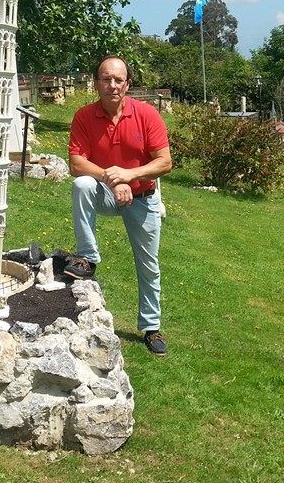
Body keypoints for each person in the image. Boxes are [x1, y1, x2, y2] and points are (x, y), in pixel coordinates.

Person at [66, 55, 173, 356]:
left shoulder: (147, 115)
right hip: (108, 192)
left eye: (117, 79)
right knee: (82, 184)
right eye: (105, 78)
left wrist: (131, 174)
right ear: (96, 82)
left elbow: (165, 162)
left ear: (127, 84)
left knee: (148, 265)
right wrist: (112, 179)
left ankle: (151, 327)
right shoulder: (84, 116)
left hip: (142, 197)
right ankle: (88, 257)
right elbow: (76, 164)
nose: (111, 85)